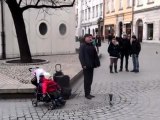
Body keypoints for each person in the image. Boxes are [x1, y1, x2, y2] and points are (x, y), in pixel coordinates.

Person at [79, 34, 100, 99]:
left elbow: (95, 55)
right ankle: (86, 94)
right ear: (85, 38)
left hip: (91, 65)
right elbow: (81, 56)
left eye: (91, 37)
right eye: (88, 37)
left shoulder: (91, 45)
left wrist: (96, 63)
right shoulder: (83, 45)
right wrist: (83, 64)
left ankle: (89, 93)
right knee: (87, 80)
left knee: (90, 79)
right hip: (86, 65)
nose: (90, 39)